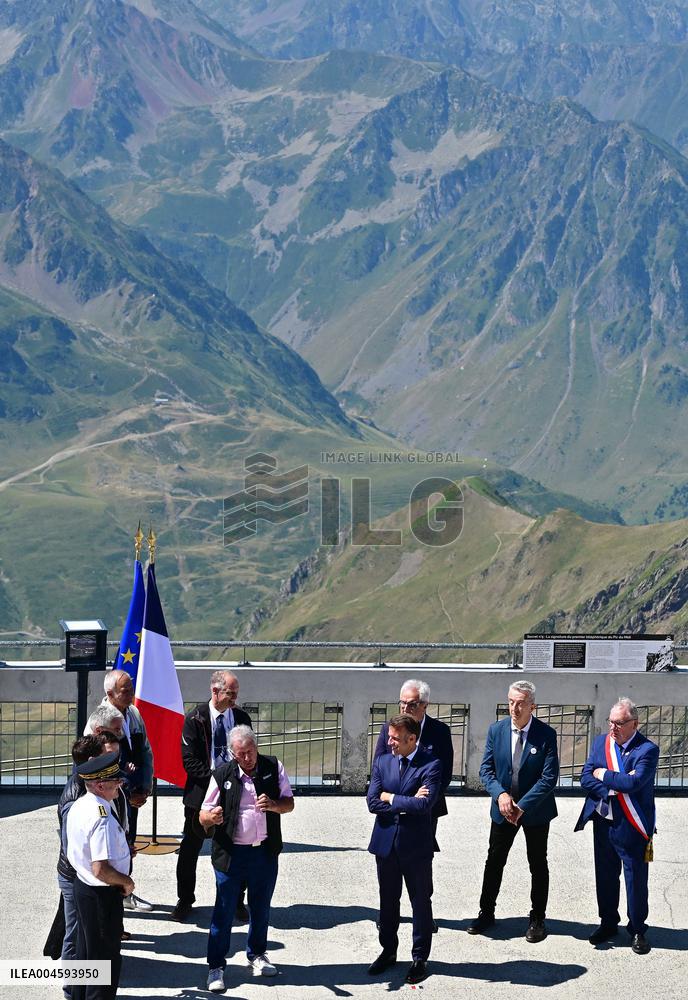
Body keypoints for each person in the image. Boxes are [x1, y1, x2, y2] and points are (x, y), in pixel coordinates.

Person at [199, 725, 294, 993]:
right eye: (241, 754)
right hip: (231, 854)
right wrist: (211, 817)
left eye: (250, 751)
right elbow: (203, 815)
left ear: (256, 747)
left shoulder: (273, 767)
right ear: (233, 754)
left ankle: (257, 954)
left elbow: (289, 803)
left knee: (261, 907)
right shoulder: (222, 774)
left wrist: (274, 805)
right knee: (224, 910)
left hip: (263, 852)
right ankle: (216, 967)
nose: (248, 758)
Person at [467, 680, 559, 943]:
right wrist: (501, 796)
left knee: (537, 863)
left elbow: (548, 778)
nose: (514, 708)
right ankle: (486, 913)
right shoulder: (496, 730)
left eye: (520, 703)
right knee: (494, 861)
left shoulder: (546, 734)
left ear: (532, 706)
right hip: (503, 809)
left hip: (535, 811)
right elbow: (486, 770)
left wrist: (522, 806)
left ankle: (537, 918)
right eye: (510, 702)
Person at [575, 697, 658, 954]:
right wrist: (611, 787)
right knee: (605, 876)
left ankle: (637, 929)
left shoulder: (647, 750)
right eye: (611, 722)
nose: (613, 728)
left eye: (619, 723)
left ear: (635, 724)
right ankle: (608, 922)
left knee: (635, 879)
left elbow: (634, 783)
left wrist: (603, 774)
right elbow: (585, 777)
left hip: (632, 825)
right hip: (604, 822)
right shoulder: (601, 743)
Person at [367, 714, 442, 986]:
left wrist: (391, 797)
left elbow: (424, 805)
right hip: (385, 844)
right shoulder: (382, 761)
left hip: (416, 846)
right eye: (389, 737)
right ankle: (388, 950)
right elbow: (372, 802)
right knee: (388, 901)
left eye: (396, 739)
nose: (390, 742)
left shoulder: (431, 765)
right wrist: (406, 801)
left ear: (412, 739)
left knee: (420, 902)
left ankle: (420, 958)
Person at [173, 670, 252, 921]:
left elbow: (248, 755)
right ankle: (185, 899)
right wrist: (218, 782)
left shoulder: (241, 718)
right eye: (231, 693)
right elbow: (190, 762)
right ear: (215, 691)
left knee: (237, 848)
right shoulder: (194, 719)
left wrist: (233, 783)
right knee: (190, 849)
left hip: (235, 793)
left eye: (236, 693)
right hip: (201, 793)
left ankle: (236, 900)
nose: (235, 698)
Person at [66, 751, 134, 1000]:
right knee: (104, 962)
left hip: (84, 888)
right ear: (99, 785)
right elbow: (100, 869)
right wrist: (127, 882)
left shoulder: (81, 804)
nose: (120, 783)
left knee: (86, 955)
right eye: (115, 780)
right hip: (101, 894)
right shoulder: (100, 816)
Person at [373, 679, 454, 844]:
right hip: (390, 812)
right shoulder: (388, 729)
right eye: (402, 703)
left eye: (411, 704)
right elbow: (379, 768)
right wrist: (406, 802)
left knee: (419, 856)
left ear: (425, 705)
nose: (405, 708)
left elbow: (444, 775)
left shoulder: (440, 731)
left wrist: (421, 802)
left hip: (425, 812)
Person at [102, 670, 154, 912]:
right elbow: (102, 766)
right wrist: (126, 793)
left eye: (131, 689)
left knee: (128, 844)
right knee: (113, 847)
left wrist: (144, 788)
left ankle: (124, 893)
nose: (131, 694)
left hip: (132, 796)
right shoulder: (102, 720)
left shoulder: (133, 713)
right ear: (110, 693)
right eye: (125, 691)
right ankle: (112, 899)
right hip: (113, 797)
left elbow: (145, 751)